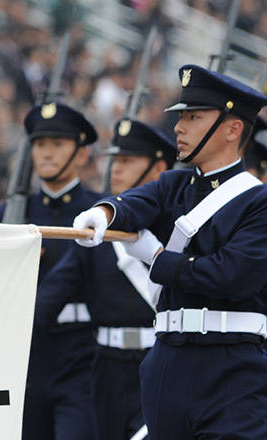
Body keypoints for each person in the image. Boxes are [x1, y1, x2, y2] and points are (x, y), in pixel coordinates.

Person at [74, 64, 267, 438]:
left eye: (194, 117)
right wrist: (102, 213)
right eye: (181, 117)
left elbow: (230, 276)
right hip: (168, 362)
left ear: (232, 128)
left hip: (232, 364)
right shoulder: (173, 185)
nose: (178, 127)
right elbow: (134, 203)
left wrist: (157, 259)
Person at [35, 118, 175, 439]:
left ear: (158, 169)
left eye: (127, 161)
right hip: (106, 368)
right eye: (114, 160)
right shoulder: (95, 234)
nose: (115, 169)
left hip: (161, 361)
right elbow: (52, 295)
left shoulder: (175, 228)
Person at [0, 101, 101, 439]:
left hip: (83, 351)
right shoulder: (12, 211)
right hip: (26, 355)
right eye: (40, 144)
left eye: (58, 144)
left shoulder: (100, 211)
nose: (47, 153)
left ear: (81, 155)